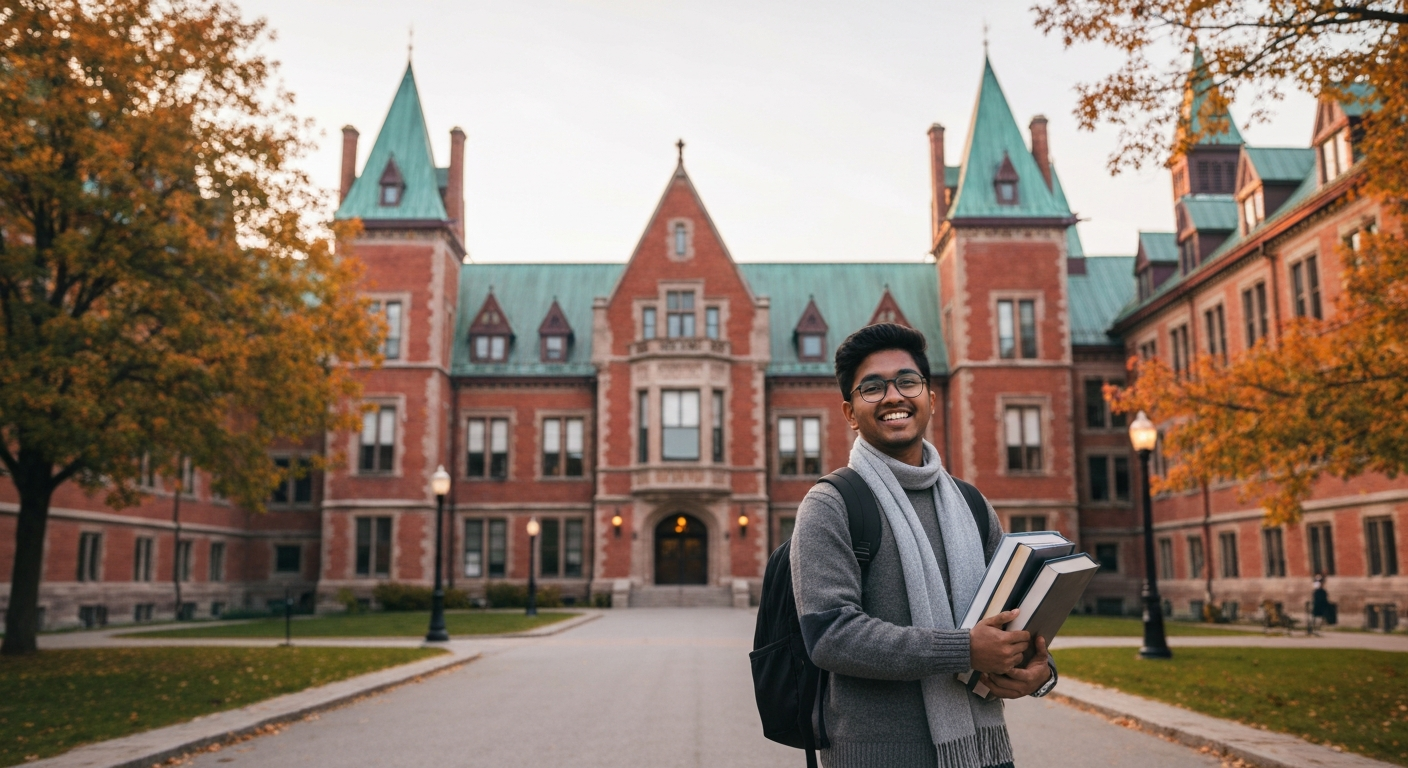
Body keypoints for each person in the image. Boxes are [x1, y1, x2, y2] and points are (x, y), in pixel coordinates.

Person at [791, 323, 1055, 768]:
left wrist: (1041, 671)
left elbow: (1013, 615)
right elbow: (830, 636)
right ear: (850, 413)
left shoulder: (970, 503)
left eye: (907, 382)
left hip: (983, 752)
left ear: (930, 399)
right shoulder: (832, 504)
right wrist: (964, 649)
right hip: (876, 757)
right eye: (872, 388)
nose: (893, 396)